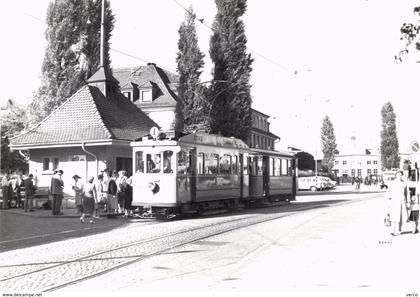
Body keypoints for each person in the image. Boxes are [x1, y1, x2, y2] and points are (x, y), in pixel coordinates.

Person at [388, 171, 408, 236]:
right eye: (398, 175)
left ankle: (399, 230)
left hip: (402, 200)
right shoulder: (393, 183)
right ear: (396, 175)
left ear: (402, 176)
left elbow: (407, 193)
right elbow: (389, 191)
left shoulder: (404, 183)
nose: (399, 176)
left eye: (400, 175)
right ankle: (392, 231)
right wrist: (390, 199)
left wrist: (408, 201)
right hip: (394, 200)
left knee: (400, 216)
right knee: (393, 215)